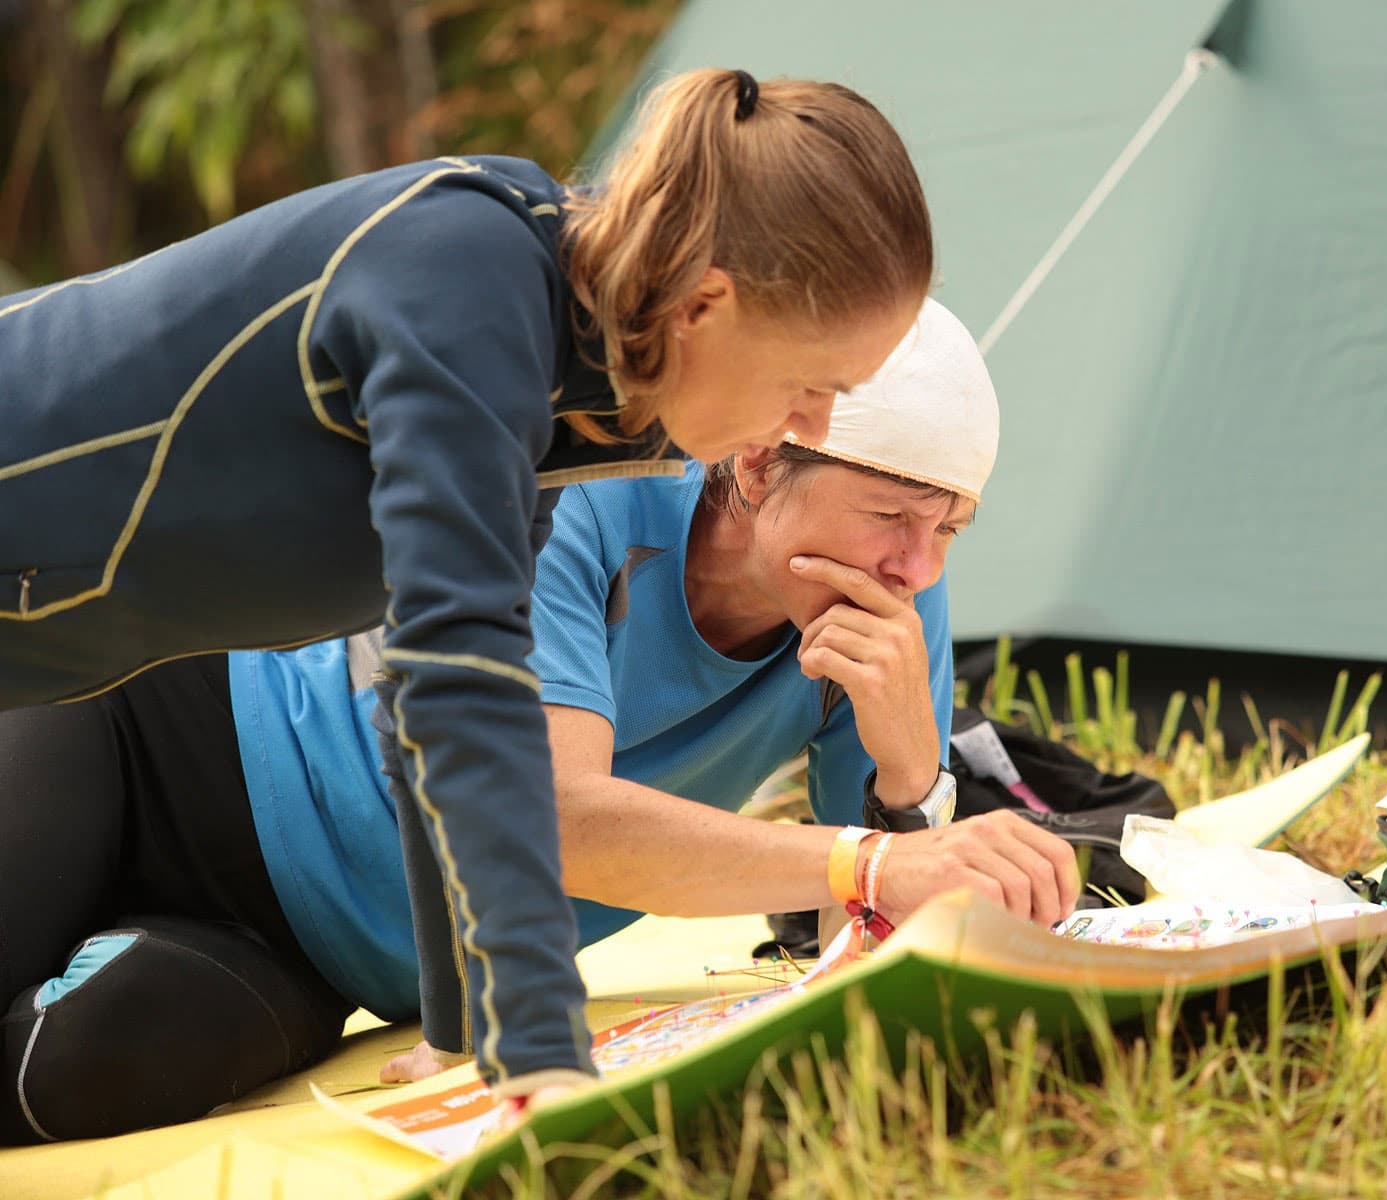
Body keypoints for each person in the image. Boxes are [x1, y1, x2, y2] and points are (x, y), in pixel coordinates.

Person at [0, 67, 934, 1122]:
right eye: (816, 383)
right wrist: (534, 1034)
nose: (812, 423)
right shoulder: (468, 276)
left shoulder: (572, 392)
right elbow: (461, 679)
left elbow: (417, 690)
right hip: (89, 705)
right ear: (709, 302)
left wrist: (469, 1008)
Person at [0, 299, 1077, 1141]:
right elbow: (553, 817)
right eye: (893, 514)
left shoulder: (894, 606)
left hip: (322, 958)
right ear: (757, 459)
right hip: (158, 741)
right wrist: (873, 861)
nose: (919, 564)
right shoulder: (591, 492)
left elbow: (870, 950)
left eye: (951, 527)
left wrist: (907, 778)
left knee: (75, 1072)